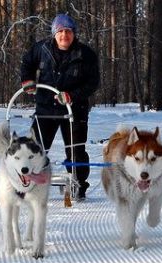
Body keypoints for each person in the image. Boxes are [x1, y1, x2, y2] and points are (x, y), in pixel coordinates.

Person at [20, 14, 100, 200]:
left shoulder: (85, 54)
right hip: (45, 108)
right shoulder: (41, 49)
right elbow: (27, 63)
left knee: (76, 150)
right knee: (34, 148)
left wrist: (72, 95)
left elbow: (93, 82)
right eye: (61, 31)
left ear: (74, 33)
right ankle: (27, 183)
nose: (65, 35)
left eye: (69, 31)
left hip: (74, 110)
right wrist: (28, 80)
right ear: (54, 33)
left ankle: (78, 186)